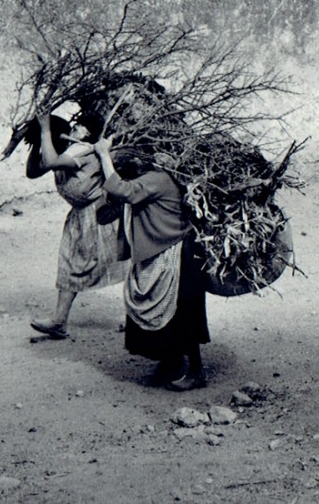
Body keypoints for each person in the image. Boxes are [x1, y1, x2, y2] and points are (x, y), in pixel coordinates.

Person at [92, 135, 210, 391]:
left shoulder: (159, 179)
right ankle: (171, 362)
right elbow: (108, 209)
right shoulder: (156, 177)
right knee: (174, 316)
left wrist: (103, 155)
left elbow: (123, 190)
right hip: (160, 251)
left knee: (183, 317)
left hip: (174, 255)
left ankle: (196, 371)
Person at [25, 111, 128, 340]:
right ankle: (59, 321)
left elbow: (50, 162)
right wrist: (35, 141)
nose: (74, 129)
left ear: (88, 134)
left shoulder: (84, 151)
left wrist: (44, 129)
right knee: (70, 264)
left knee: (125, 264)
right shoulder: (65, 152)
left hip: (103, 213)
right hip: (81, 217)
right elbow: (33, 172)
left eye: (79, 127)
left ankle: (136, 318)